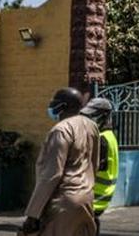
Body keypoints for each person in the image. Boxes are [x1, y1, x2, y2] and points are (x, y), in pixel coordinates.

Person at [21, 87, 100, 236]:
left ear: (62, 107)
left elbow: (52, 174)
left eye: (54, 103)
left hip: (63, 200)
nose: (51, 107)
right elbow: (93, 164)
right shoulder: (91, 126)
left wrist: (33, 214)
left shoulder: (61, 130)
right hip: (86, 197)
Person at [80, 98, 119, 236]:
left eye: (92, 116)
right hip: (101, 196)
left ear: (103, 116)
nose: (90, 119)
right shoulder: (109, 136)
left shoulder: (102, 138)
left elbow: (96, 166)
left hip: (95, 196)